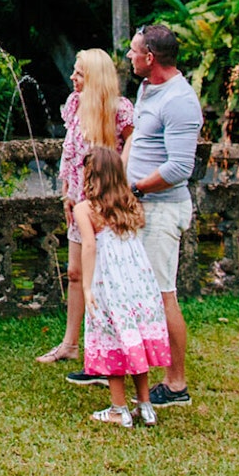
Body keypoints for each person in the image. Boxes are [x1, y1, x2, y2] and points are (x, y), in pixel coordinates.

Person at [122, 24, 203, 408]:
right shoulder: (146, 88)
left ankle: (175, 384)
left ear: (150, 58)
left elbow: (179, 168)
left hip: (162, 209)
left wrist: (136, 188)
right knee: (139, 292)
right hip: (137, 205)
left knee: (162, 293)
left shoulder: (179, 101)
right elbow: (138, 140)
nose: (128, 57)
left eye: (133, 52)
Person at [38, 49, 134, 366]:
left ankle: (109, 343)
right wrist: (66, 192)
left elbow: (129, 149)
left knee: (105, 276)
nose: (73, 78)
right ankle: (70, 343)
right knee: (75, 272)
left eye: (79, 73)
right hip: (79, 201)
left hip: (106, 204)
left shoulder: (119, 110)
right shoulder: (75, 106)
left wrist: (116, 187)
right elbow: (70, 152)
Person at [73, 146, 172, 428]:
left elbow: (90, 247)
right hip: (138, 284)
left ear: (93, 175)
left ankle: (119, 408)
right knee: (135, 338)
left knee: (111, 339)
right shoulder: (130, 204)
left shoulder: (85, 209)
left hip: (109, 284)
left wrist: (88, 287)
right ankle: (145, 405)